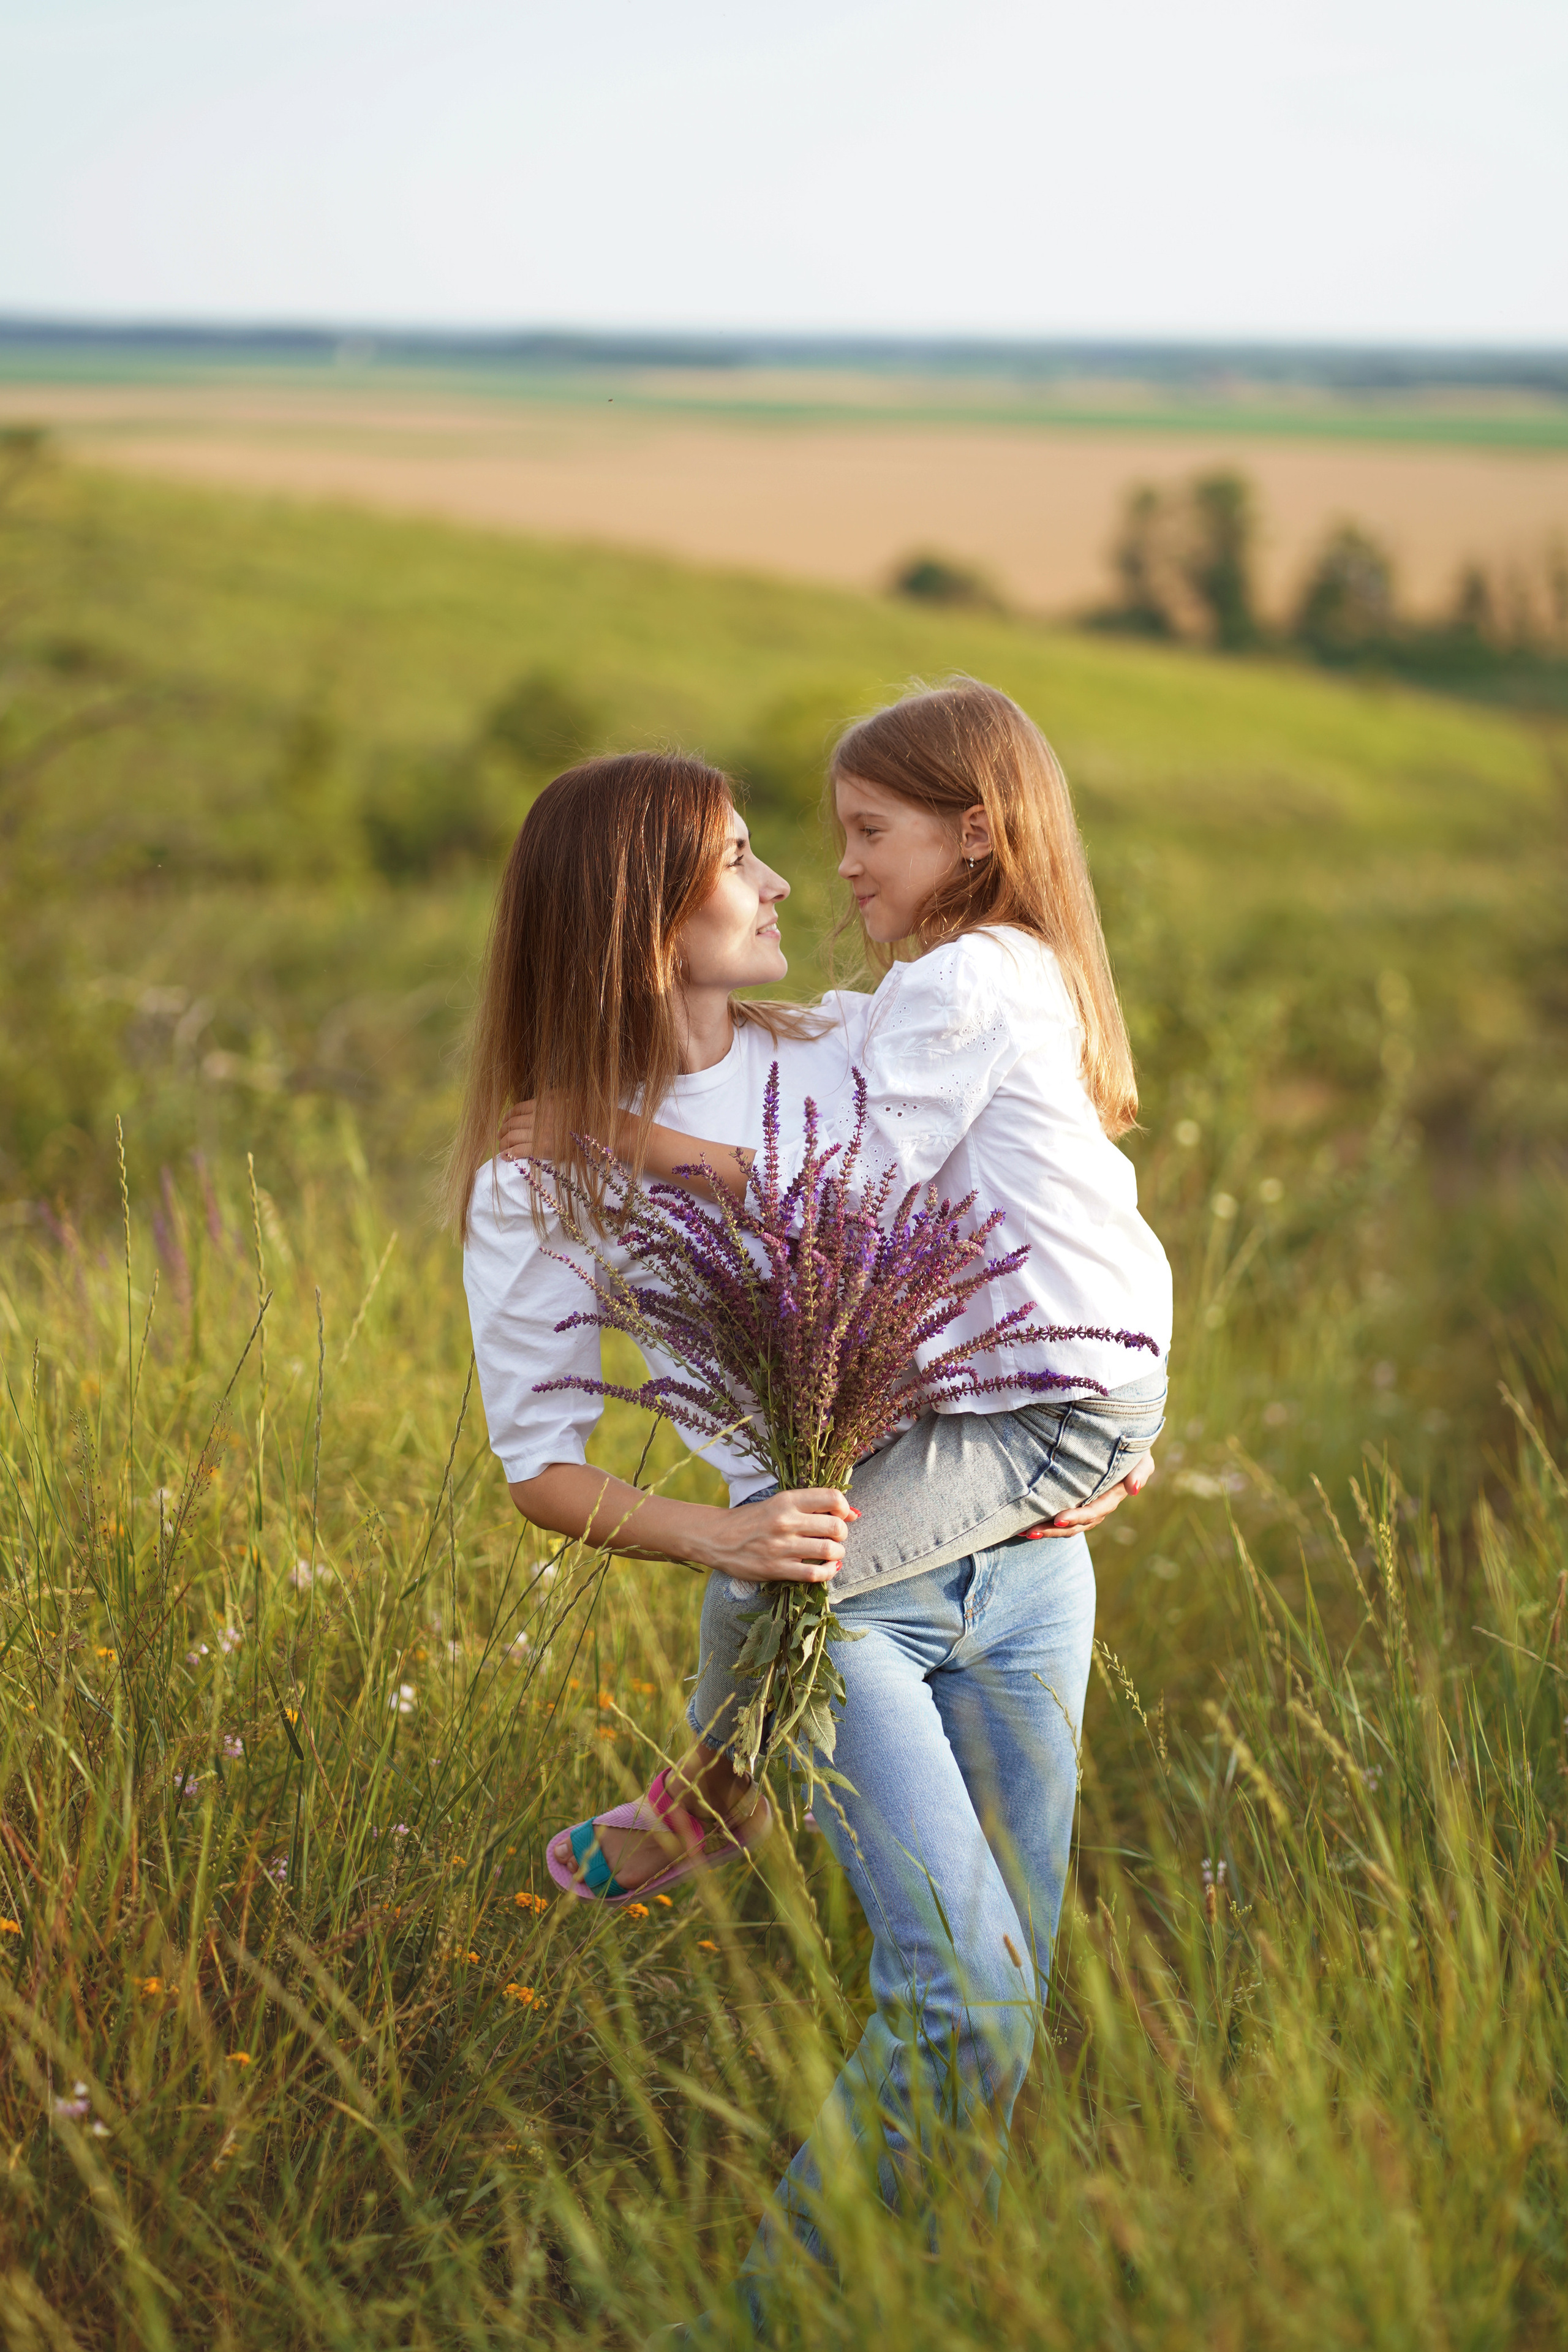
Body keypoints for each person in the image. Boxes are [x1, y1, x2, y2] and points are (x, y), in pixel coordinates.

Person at [455, 715, 1161, 2308]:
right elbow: (539, 1465)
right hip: (832, 1597)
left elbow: (1027, 1208)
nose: (790, 881)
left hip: (1034, 1565)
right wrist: (723, 1539)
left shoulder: (847, 1040)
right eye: (740, 859)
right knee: (967, 1999)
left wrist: (1093, 1425)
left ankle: (905, 2306)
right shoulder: (538, 1178)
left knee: (1005, 2011)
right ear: (647, 915)